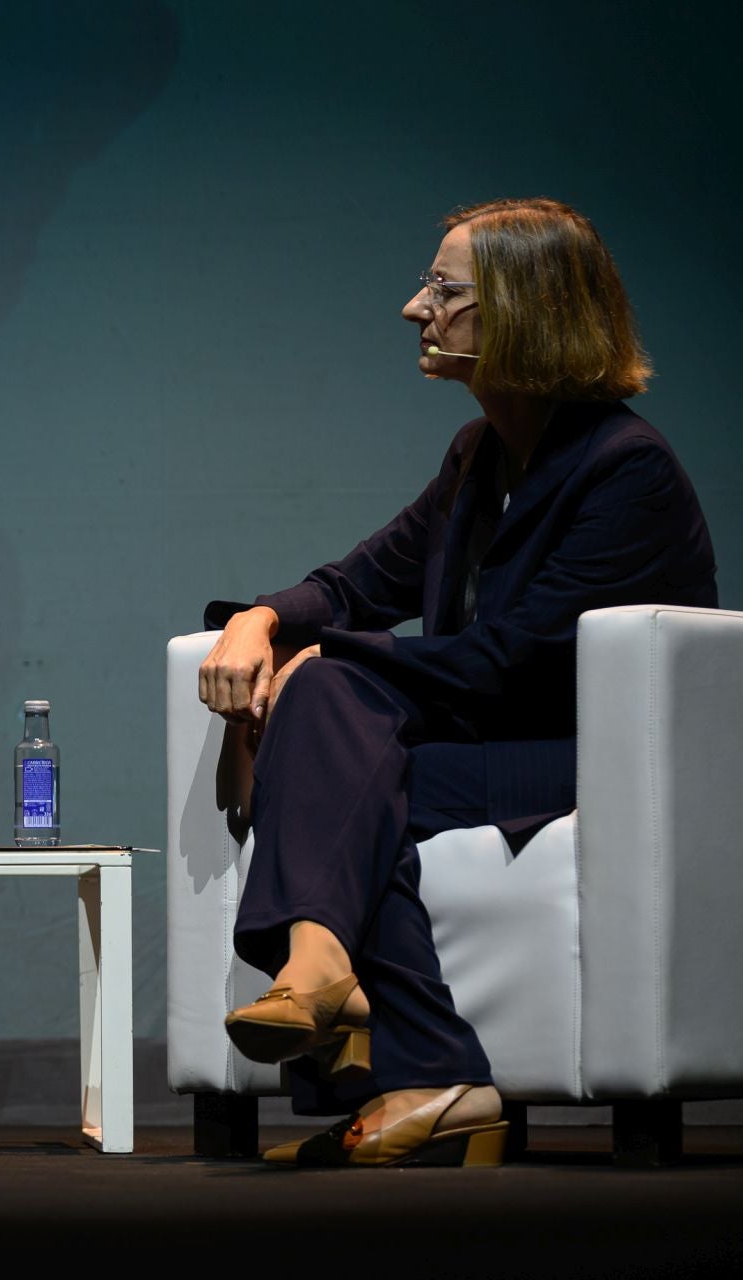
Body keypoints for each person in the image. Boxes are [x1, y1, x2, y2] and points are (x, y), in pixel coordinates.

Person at [197, 198, 717, 1167]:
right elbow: (359, 580)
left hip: (571, 760)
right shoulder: (479, 456)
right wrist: (261, 621)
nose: (413, 307)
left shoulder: (625, 471)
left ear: (525, 309)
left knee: (334, 738)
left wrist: (328, 656)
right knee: (346, 765)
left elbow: (503, 660)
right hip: (479, 748)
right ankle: (376, 1018)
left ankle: (370, 1015)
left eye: (442, 289)